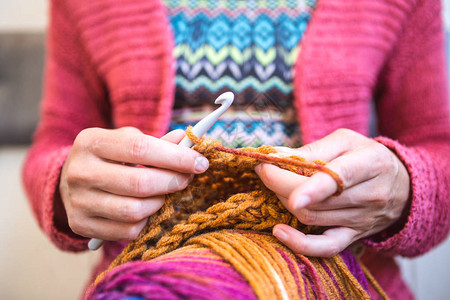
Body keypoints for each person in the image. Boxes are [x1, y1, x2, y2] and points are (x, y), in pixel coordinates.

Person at [23, 0, 450, 299]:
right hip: (148, 280)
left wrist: (403, 187)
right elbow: (58, 139)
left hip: (340, 281)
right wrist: (67, 187)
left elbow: (439, 149)